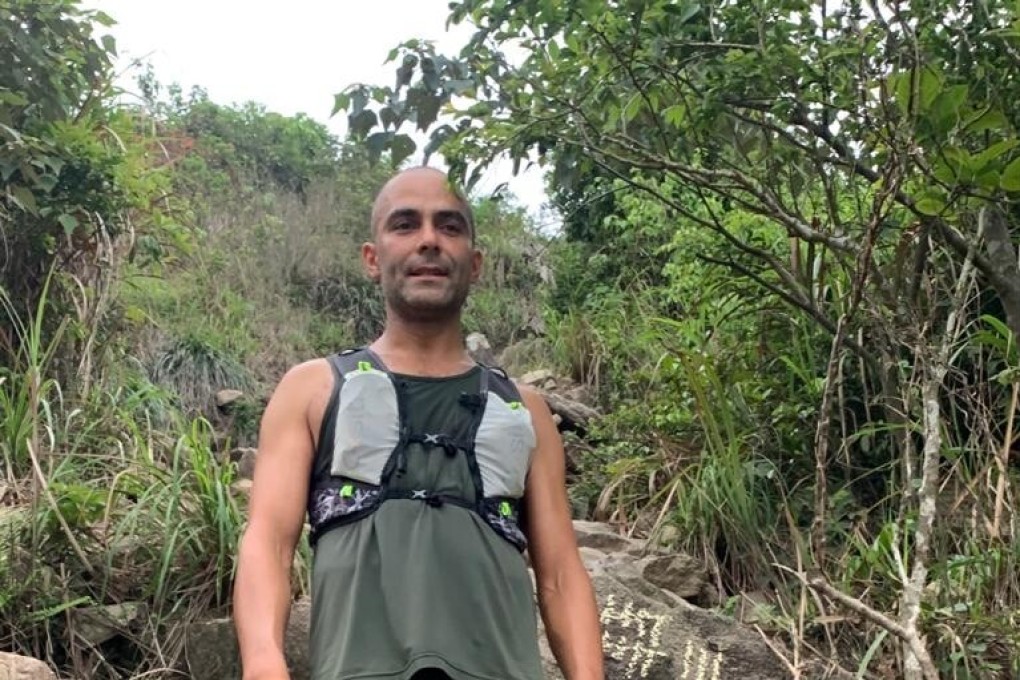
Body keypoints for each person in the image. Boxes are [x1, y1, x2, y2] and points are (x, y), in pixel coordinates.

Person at [232, 166, 604, 680]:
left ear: (474, 264)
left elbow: (561, 573)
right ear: (372, 257)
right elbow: (269, 542)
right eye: (405, 224)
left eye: (449, 226)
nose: (429, 240)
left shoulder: (526, 410)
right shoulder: (312, 389)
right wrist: (263, 659)